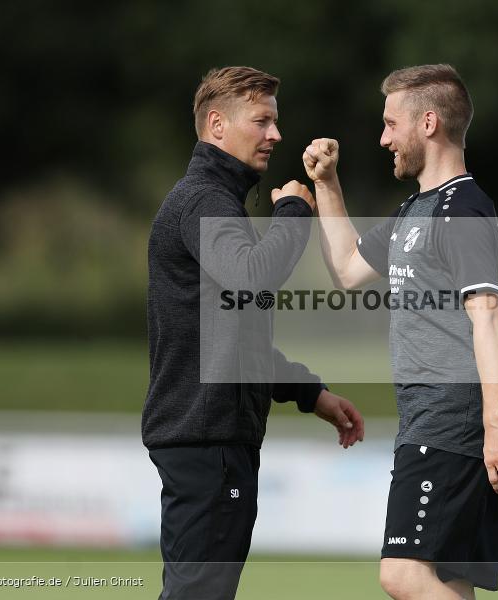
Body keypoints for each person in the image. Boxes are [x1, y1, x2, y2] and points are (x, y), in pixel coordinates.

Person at [302, 64, 498, 599]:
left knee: (402, 573)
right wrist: (327, 184)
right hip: (430, 420)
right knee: (441, 580)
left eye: (390, 124)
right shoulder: (416, 210)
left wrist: (496, 423)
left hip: (448, 421)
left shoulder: (461, 210)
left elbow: (489, 314)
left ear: (428, 123)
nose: (383, 139)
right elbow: (349, 269)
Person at [142, 66, 365, 600]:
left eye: (275, 122)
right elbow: (252, 277)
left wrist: (309, 393)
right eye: (262, 121)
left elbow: (234, 339)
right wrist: (294, 210)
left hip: (211, 442)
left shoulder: (215, 201)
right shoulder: (205, 200)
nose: (276, 134)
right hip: (208, 442)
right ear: (217, 125)